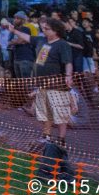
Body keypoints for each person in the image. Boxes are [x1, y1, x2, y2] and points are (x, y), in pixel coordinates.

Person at [31, 18, 73, 146]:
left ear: (56, 31)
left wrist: (68, 76)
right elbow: (40, 62)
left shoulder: (63, 44)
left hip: (57, 85)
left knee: (60, 112)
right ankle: (46, 136)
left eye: (47, 29)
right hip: (43, 84)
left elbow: (68, 62)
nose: (44, 31)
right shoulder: (45, 43)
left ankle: (61, 140)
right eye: (43, 28)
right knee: (45, 112)